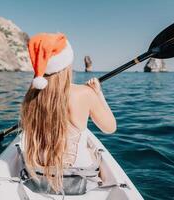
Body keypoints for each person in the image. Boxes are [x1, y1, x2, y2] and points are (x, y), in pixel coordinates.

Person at [20, 32, 116, 193]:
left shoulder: (31, 95)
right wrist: (98, 94)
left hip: (39, 174)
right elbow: (110, 128)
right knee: (92, 152)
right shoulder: (84, 93)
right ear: (66, 64)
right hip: (78, 177)